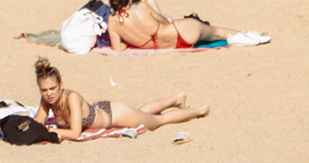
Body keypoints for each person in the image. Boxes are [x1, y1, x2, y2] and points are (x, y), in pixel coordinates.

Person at [31, 58, 208, 139]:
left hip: (116, 115)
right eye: (44, 90)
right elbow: (37, 123)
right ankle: (176, 100)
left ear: (61, 84)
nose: (49, 93)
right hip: (107, 110)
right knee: (142, 112)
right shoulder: (47, 100)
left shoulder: (72, 98)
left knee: (159, 121)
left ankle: (199, 111)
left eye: (53, 88)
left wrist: (52, 130)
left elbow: (75, 132)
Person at [105, 0, 264, 51]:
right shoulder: (142, 8)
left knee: (215, 36)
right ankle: (253, 36)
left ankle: (249, 38)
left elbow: (117, 49)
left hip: (173, 46)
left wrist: (128, 41)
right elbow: (165, 22)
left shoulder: (112, 22)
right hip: (181, 32)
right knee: (216, 32)